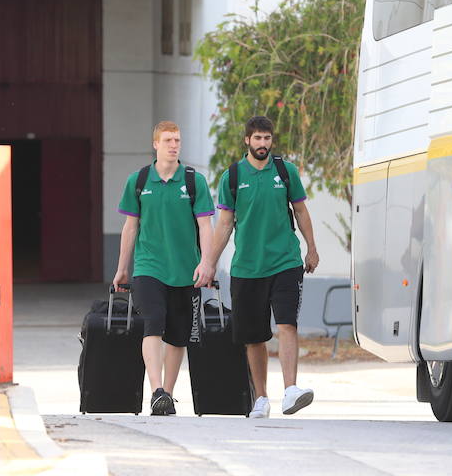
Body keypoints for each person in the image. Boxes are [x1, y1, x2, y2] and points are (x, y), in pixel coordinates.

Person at [194, 115, 320, 418]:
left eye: (267, 138)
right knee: (254, 337)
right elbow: (225, 225)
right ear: (247, 141)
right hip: (247, 268)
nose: (263, 143)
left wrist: (312, 248)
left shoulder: (286, 172)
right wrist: (209, 263)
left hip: (285, 261)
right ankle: (261, 398)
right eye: (258, 138)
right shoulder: (233, 176)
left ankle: (290, 390)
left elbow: (301, 211)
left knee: (287, 324)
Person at [114, 121, 215, 416]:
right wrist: (122, 268)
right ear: (155, 144)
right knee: (153, 321)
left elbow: (205, 225)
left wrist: (206, 263)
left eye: (177, 140)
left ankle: (167, 396)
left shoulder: (195, 182)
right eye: (168, 140)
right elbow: (130, 227)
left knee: (178, 336)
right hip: (149, 266)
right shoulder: (139, 181)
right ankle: (156, 389)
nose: (174, 145)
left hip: (185, 270)